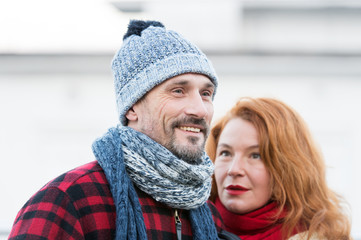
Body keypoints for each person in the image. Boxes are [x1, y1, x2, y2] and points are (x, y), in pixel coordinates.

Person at [9, 20, 226, 240]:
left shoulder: (208, 215)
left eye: (206, 94)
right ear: (132, 107)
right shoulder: (67, 202)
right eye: (178, 91)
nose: (200, 110)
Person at [206, 97, 352, 240]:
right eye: (225, 153)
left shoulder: (320, 236)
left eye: (256, 155)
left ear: (289, 168)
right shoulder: (188, 226)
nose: (234, 169)